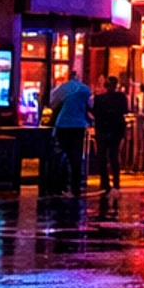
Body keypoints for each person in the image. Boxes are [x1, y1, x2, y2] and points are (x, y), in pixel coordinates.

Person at [49, 68, 93, 198]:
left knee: (60, 155)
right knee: (76, 157)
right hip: (78, 125)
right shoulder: (85, 89)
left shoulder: (63, 88)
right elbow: (90, 104)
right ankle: (75, 188)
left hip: (63, 124)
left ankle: (58, 187)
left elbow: (52, 102)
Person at [94, 74, 128, 191]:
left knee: (102, 156)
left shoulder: (99, 99)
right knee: (114, 155)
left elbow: (95, 113)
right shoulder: (121, 97)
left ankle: (105, 182)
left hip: (103, 129)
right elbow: (125, 111)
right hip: (116, 129)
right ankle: (116, 182)